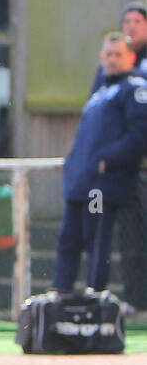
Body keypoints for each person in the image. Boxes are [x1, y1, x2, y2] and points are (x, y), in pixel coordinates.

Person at [53, 32, 147, 296]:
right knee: (68, 240)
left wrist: (108, 159)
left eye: (118, 54)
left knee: (97, 241)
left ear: (130, 57)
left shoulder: (134, 89)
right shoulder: (101, 92)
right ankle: (61, 296)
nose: (112, 60)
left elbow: (140, 135)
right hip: (81, 180)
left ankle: (94, 299)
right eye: (108, 54)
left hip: (103, 184)